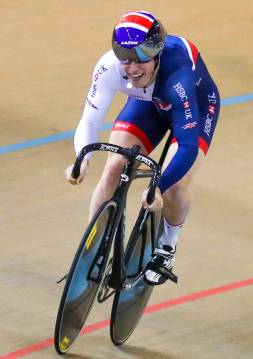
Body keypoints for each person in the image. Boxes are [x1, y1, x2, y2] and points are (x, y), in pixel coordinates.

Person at [64, 10, 221, 285]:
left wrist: (158, 187)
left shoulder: (178, 77)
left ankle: (167, 246)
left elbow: (187, 146)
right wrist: (82, 159)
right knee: (114, 166)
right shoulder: (108, 67)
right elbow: (89, 119)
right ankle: (92, 249)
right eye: (126, 59)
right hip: (148, 104)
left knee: (175, 185)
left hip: (193, 106)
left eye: (141, 59)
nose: (132, 68)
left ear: (157, 53)